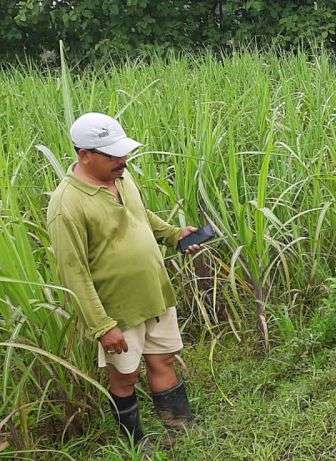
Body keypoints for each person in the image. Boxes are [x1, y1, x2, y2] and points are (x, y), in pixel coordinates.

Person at [47, 112, 202, 442]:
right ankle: (136, 443)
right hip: (118, 308)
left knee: (163, 359)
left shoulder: (121, 177)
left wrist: (174, 234)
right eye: (113, 155)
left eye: (124, 152)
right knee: (125, 376)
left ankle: (181, 429)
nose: (123, 160)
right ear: (84, 155)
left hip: (154, 291)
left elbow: (140, 216)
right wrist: (103, 326)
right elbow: (73, 273)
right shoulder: (67, 205)